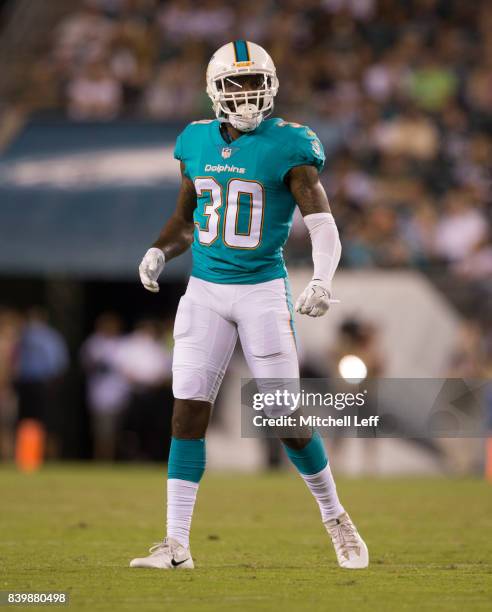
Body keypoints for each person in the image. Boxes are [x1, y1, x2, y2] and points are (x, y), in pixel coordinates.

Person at [131, 41, 368, 570]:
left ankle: (336, 517)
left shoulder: (289, 144)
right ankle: (176, 546)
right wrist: (156, 249)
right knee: (187, 410)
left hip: (262, 289)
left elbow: (322, 223)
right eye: (236, 83)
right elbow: (185, 220)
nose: (246, 93)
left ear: (273, 83)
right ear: (215, 89)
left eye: (255, 81)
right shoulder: (193, 140)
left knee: (284, 413)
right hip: (206, 291)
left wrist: (323, 278)